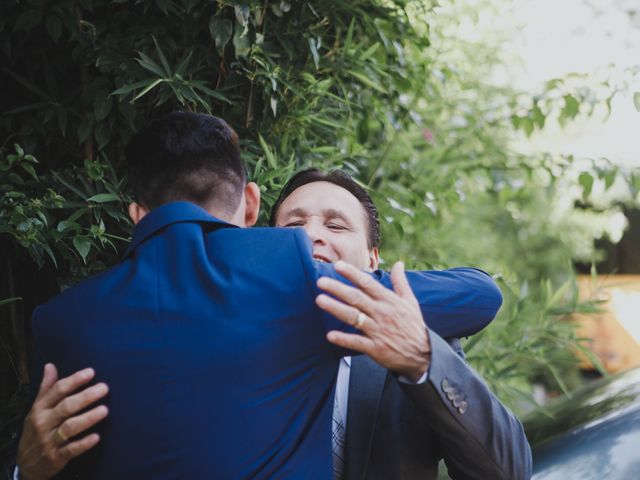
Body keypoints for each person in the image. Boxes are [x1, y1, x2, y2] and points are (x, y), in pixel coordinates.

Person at [14, 113, 502, 479]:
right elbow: (479, 296)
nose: (313, 240)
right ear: (252, 207)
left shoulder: (60, 322)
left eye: (335, 224)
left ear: (138, 216)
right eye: (296, 226)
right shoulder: (292, 284)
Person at [269, 169, 532, 479]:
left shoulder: (416, 339)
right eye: (294, 224)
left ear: (371, 260)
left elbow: (507, 474)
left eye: (335, 225)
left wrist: (423, 361)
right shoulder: (233, 334)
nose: (309, 234)